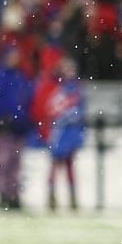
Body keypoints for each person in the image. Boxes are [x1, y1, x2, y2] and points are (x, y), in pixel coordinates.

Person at [0, 45, 32, 210]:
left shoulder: (20, 76)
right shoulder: (0, 76)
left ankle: (13, 195)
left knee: (15, 163)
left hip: (18, 126)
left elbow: (26, 101)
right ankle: (3, 194)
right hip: (4, 126)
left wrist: (22, 119)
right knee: (4, 162)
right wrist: (1, 118)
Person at [32, 57, 84, 211]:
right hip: (59, 132)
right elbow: (47, 110)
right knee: (56, 165)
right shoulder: (55, 88)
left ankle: (70, 196)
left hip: (67, 132)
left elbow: (79, 112)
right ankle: (52, 196)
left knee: (67, 166)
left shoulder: (74, 89)